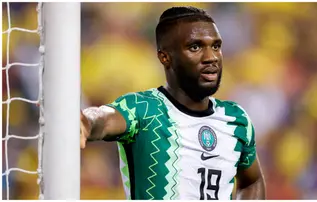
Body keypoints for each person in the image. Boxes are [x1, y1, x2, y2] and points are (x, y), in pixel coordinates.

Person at [80, 6, 266, 200]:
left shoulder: (236, 119)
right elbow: (104, 119)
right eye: (195, 47)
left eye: (216, 46)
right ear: (165, 57)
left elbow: (252, 181)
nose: (211, 57)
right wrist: (87, 122)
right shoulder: (144, 109)